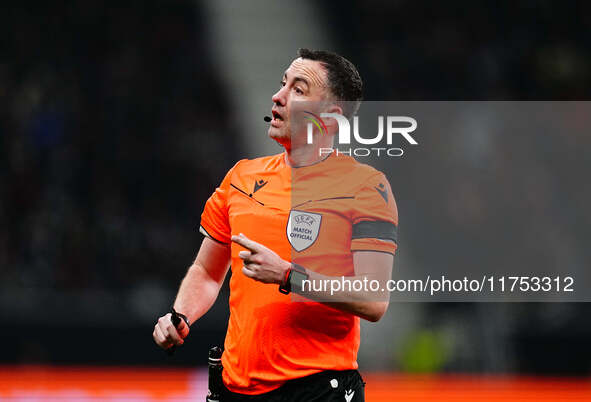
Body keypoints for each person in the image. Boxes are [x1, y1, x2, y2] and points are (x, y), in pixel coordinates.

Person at [153, 49, 398, 401]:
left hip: (316, 391)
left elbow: (373, 299)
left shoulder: (365, 187)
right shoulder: (241, 177)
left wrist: (287, 275)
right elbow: (208, 272)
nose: (278, 96)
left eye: (299, 89)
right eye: (283, 83)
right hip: (234, 388)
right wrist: (181, 316)